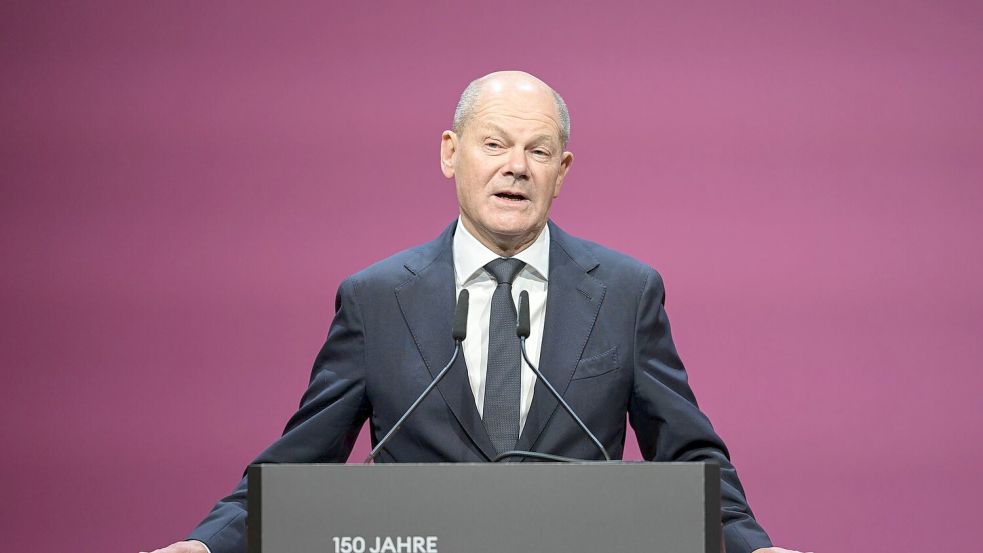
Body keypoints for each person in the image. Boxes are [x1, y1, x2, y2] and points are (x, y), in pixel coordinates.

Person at [143, 71, 807, 553]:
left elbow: (688, 453)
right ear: (449, 153)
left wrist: (754, 547)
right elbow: (298, 461)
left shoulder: (625, 292)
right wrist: (205, 545)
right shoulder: (376, 299)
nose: (515, 167)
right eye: (494, 144)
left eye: (538, 151)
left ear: (562, 169)